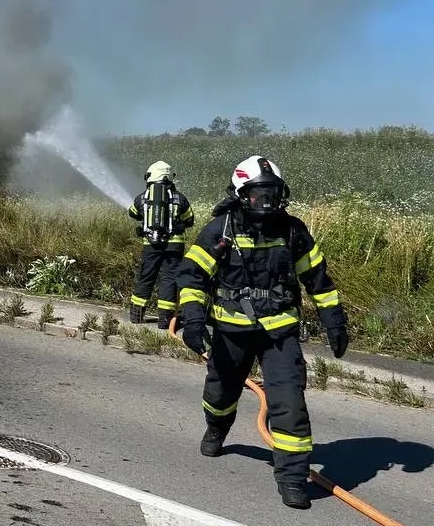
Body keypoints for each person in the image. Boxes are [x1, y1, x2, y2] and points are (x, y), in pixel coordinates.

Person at [175, 155, 349, 510]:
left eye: (272, 192)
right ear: (242, 194)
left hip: (279, 334)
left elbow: (318, 279)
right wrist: (192, 320)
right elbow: (192, 276)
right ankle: (217, 427)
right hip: (231, 331)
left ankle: (292, 478)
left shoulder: (293, 231)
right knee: (220, 393)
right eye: (259, 193)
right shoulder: (221, 230)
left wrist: (334, 321)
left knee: (289, 402)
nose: (267, 201)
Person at [126, 160, 194, 328]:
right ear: (170, 177)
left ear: (150, 176)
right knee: (170, 279)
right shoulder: (179, 198)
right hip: (174, 246)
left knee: (146, 277)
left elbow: (133, 213)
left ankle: (136, 316)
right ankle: (165, 321)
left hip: (151, 245)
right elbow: (189, 219)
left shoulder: (143, 197)